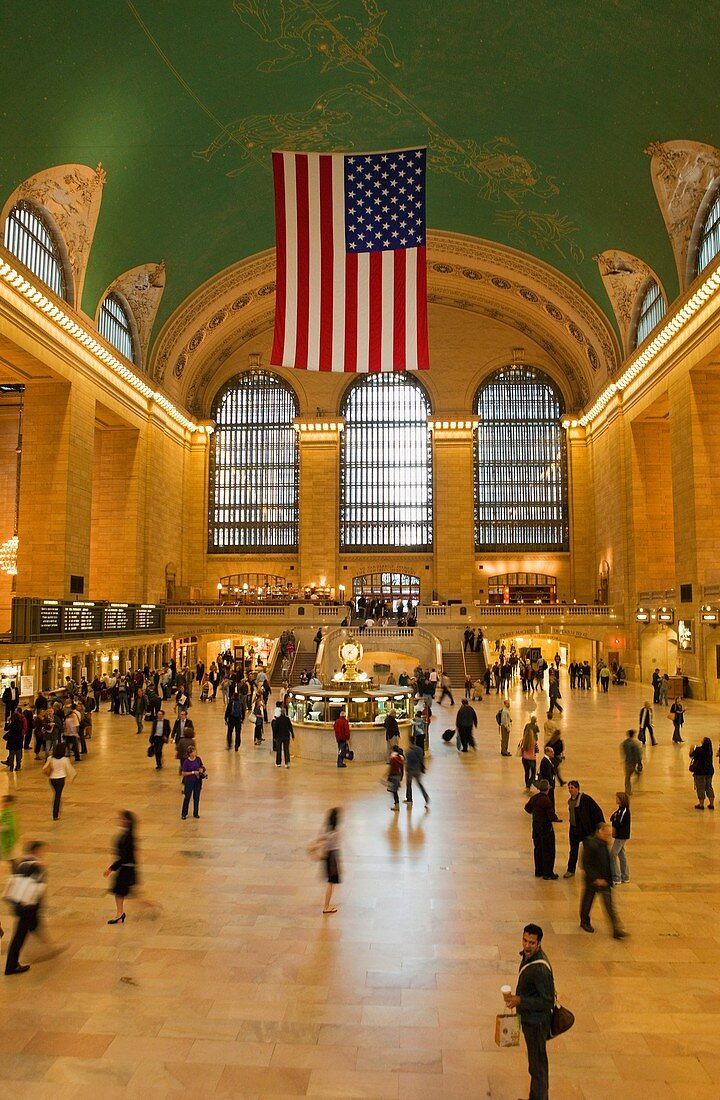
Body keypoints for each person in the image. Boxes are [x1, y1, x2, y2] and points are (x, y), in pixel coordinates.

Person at [503, 924, 555, 1100]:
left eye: (532, 942)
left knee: (538, 1066)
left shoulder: (540, 969)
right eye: (525, 940)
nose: (527, 945)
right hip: (530, 1019)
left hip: (536, 1023)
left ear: (539, 943)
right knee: (535, 1065)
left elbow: (547, 1001)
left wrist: (520, 1000)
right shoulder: (528, 957)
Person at [5, 840, 48, 975]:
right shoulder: (37, 867)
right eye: (42, 851)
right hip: (27, 907)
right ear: (35, 851)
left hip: (18, 905)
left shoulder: (20, 864)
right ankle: (11, 966)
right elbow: (37, 890)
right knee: (19, 937)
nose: (44, 853)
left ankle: (12, 964)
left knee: (20, 934)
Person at [580, 823, 627, 937]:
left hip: (604, 880)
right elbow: (586, 864)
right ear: (600, 831)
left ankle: (616, 929)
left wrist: (609, 878)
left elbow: (606, 862)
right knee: (588, 902)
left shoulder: (603, 844)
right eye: (607, 833)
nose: (609, 836)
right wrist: (596, 878)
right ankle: (584, 921)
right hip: (593, 880)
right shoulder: (591, 844)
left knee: (609, 905)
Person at [564, 781, 604, 878]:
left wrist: (600, 825)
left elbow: (597, 810)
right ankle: (570, 870)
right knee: (573, 850)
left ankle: (591, 870)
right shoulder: (570, 801)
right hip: (573, 829)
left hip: (585, 830)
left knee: (588, 851)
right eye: (569, 787)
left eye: (572, 787)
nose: (570, 789)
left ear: (577, 789)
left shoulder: (586, 799)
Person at [104, 810, 137, 923]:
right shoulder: (126, 834)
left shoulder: (129, 837)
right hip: (125, 868)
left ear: (127, 821)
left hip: (126, 869)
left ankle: (153, 906)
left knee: (133, 896)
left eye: (122, 819)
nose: (119, 820)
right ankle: (120, 913)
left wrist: (112, 868)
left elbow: (125, 856)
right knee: (119, 892)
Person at [525, 779, 560, 879]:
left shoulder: (534, 798)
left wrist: (535, 814)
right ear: (548, 788)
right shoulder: (546, 801)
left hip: (536, 827)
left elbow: (527, 808)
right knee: (548, 850)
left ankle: (538, 871)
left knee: (538, 849)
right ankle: (548, 873)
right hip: (545, 829)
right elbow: (551, 816)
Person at [42, 743, 76, 820]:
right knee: (57, 796)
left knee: (56, 794)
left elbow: (45, 767)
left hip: (52, 779)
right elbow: (69, 769)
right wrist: (72, 776)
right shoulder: (65, 760)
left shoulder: (50, 758)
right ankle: (55, 814)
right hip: (60, 779)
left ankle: (57, 809)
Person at [319, 806, 342, 914]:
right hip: (332, 857)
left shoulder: (327, 830)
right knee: (331, 883)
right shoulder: (335, 833)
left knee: (330, 882)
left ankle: (327, 905)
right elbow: (330, 845)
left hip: (328, 857)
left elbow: (322, 839)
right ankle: (326, 906)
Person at [609, 792, 631, 884]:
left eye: (617, 798)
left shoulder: (624, 810)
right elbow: (612, 817)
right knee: (622, 855)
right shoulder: (620, 810)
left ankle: (617, 877)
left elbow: (618, 822)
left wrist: (614, 823)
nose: (616, 799)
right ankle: (625, 876)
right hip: (620, 835)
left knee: (613, 854)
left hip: (621, 835)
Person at [689, 737, 715, 809]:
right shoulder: (710, 751)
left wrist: (691, 748)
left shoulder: (699, 750)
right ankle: (711, 804)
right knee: (709, 786)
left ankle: (701, 804)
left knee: (700, 787)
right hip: (709, 771)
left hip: (700, 771)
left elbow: (691, 756)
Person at [181, 746, 205, 819]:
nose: (195, 752)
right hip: (189, 781)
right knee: (187, 797)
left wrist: (201, 770)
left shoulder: (198, 759)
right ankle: (184, 813)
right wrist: (193, 772)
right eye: (194, 751)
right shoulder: (186, 762)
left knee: (196, 797)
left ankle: (196, 813)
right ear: (190, 753)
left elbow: (202, 766)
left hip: (197, 781)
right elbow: (184, 773)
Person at [403, 740, 429, 807]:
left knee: (408, 784)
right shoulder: (420, 750)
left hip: (410, 770)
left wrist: (406, 769)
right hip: (417, 769)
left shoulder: (408, 751)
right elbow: (422, 759)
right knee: (420, 784)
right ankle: (426, 797)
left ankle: (409, 799)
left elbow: (408, 762)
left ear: (410, 743)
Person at [620, 729, 642, 796]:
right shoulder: (634, 744)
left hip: (627, 762)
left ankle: (628, 790)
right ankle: (628, 790)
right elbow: (638, 754)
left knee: (627, 777)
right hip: (633, 762)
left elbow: (623, 752)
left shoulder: (624, 743)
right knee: (629, 775)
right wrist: (639, 763)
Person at [520, 716, 539, 790]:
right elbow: (537, 750)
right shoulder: (534, 742)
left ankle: (527, 786)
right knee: (533, 774)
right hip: (532, 759)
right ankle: (529, 784)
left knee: (526, 773)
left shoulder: (523, 741)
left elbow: (521, 749)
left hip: (524, 759)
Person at [386, 744, 404, 810]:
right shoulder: (400, 758)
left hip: (393, 776)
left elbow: (392, 769)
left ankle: (397, 805)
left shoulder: (393, 758)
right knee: (394, 791)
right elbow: (402, 769)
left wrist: (388, 777)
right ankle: (396, 804)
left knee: (394, 791)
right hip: (398, 776)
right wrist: (402, 776)